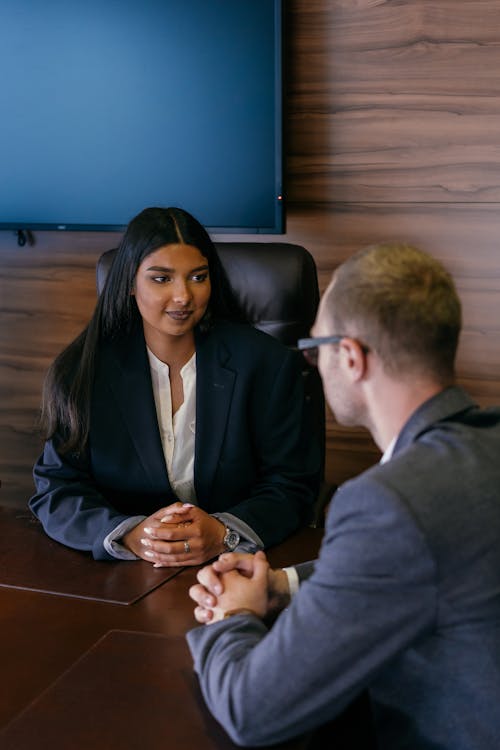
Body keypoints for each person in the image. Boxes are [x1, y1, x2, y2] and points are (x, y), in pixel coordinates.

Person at [187, 242, 500, 749]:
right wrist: (281, 586)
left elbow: (251, 710)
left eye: (315, 348)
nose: (313, 364)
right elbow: (411, 558)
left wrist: (234, 615)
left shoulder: (388, 501)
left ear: (350, 357)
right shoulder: (485, 441)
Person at [29, 207, 320, 565]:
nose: (183, 296)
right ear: (130, 285)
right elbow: (57, 488)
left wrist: (222, 531)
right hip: (126, 574)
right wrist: (130, 534)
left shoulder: (267, 364)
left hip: (239, 568)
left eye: (198, 277)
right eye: (161, 279)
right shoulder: (83, 371)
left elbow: (292, 485)